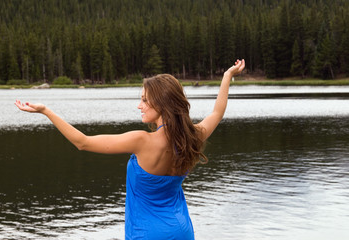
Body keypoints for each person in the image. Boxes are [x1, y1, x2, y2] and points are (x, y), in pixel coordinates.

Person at [15, 59, 245, 239]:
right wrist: (227, 76)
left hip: (147, 234)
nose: (139, 105)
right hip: (181, 230)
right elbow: (217, 112)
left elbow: (82, 142)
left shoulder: (142, 141)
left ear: (162, 104)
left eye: (145, 100)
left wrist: (46, 111)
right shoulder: (192, 136)